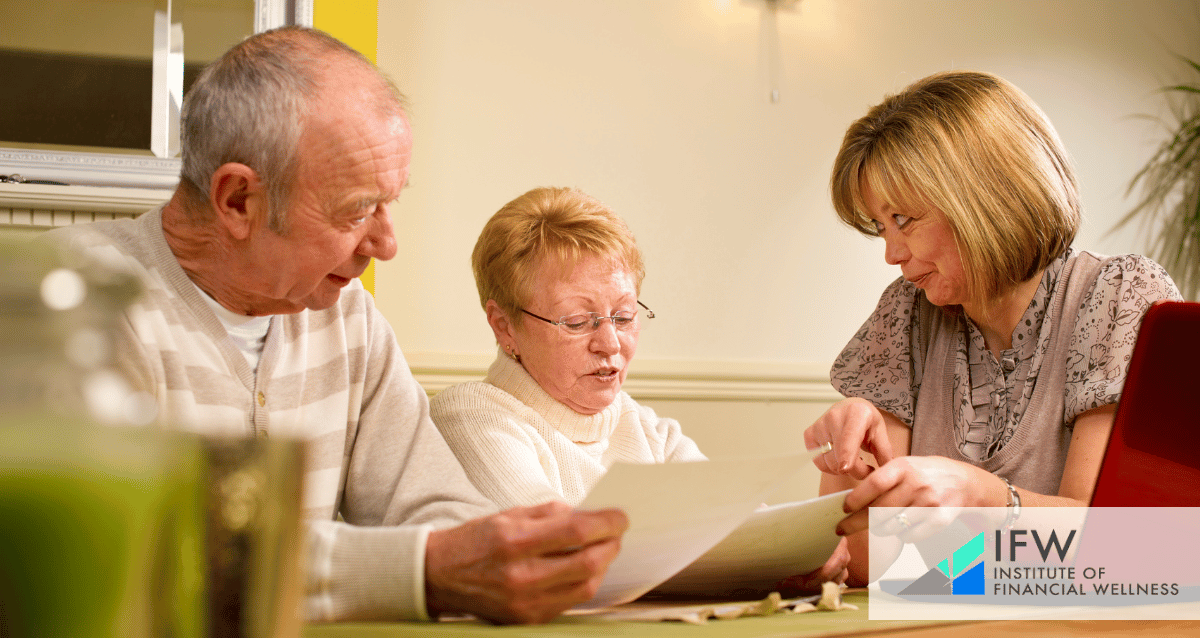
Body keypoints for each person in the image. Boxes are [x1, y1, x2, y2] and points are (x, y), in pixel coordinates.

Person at [42, 27, 626, 625]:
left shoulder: (348, 318)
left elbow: (434, 508)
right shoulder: (67, 305)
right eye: (356, 210)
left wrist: (494, 555)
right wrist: (419, 570)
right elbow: (146, 553)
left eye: (390, 202)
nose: (387, 243)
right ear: (238, 200)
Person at [804, 70, 1182, 584]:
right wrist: (854, 467)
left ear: (983, 197)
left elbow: (1123, 549)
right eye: (881, 226)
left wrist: (986, 499)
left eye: (904, 219)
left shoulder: (1119, 295)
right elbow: (873, 569)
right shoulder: (904, 314)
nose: (892, 254)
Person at [430, 186, 850, 590]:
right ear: (504, 325)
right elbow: (560, 548)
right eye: (577, 321)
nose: (610, 344)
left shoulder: (644, 429)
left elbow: (744, 524)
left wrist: (799, 550)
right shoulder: (470, 415)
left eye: (625, 316)